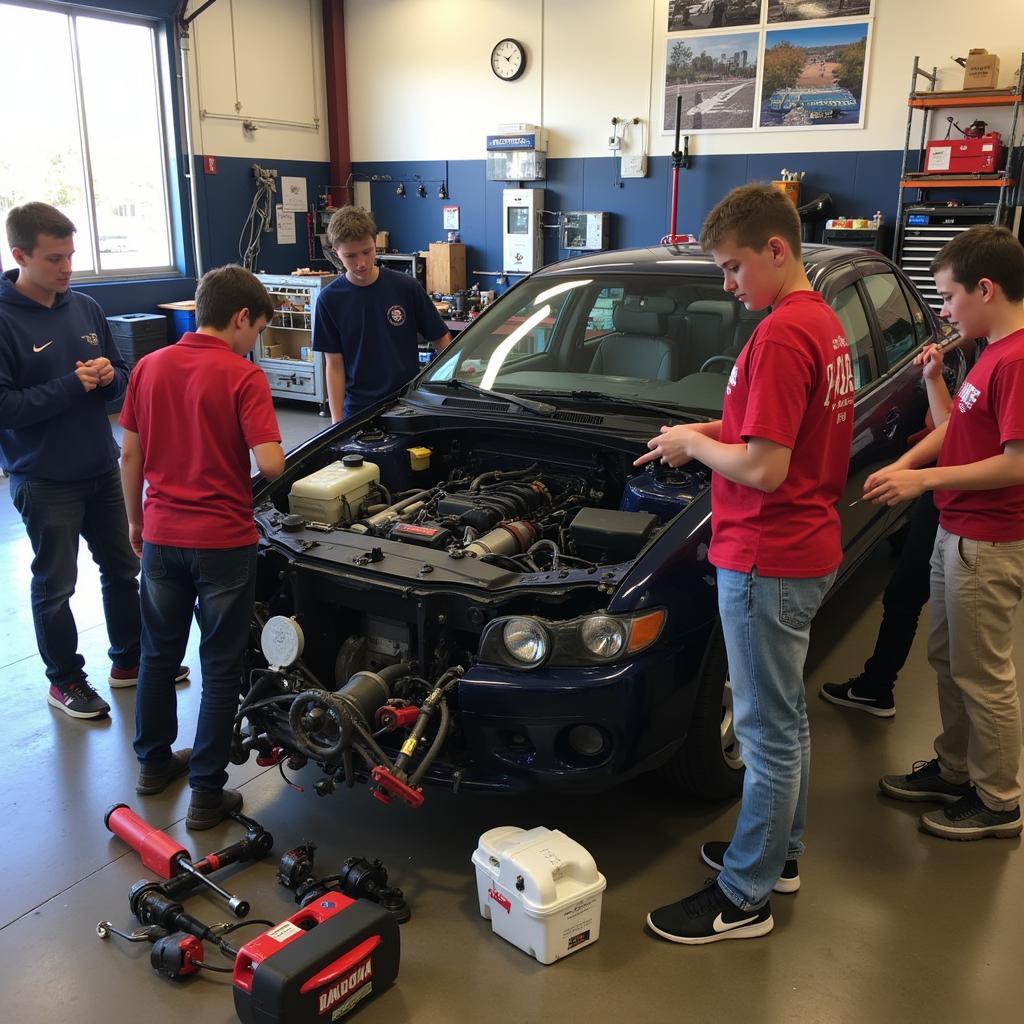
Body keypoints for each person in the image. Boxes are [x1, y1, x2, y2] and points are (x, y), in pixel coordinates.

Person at [636, 183, 853, 944]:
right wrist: (696, 427)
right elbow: (764, 424)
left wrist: (697, 447)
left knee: (764, 730)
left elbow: (763, 466)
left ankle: (745, 896)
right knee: (784, 720)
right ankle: (779, 856)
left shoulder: (782, 335)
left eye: (732, 268)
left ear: (776, 249)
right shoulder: (819, 324)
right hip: (800, 546)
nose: (728, 285)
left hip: (768, 554)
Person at [866, 225, 1024, 841]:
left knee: (984, 676)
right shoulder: (990, 349)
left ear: (985, 289)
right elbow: (959, 429)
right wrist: (934, 380)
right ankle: (956, 769)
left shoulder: (1015, 359)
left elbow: (1016, 462)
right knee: (950, 660)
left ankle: (1000, 800)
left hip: (986, 543)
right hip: (958, 536)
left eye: (950, 298)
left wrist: (922, 484)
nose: (945, 312)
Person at [0, 202, 186, 721]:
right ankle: (64, 680)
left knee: (124, 568)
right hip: (43, 478)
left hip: (100, 467)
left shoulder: (84, 307)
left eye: (72, 255)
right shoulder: (4, 320)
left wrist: (111, 377)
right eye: (55, 258)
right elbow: (4, 408)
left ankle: (129, 661)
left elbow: (124, 383)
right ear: (19, 255)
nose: (67, 268)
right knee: (56, 585)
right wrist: (68, 385)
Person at [120, 265, 285, 830]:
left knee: (158, 657)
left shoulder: (148, 366)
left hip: (162, 535)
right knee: (219, 669)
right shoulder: (243, 377)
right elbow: (270, 464)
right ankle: (208, 796)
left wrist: (136, 522)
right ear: (241, 317)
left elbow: (130, 456)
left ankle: (152, 764)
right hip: (222, 543)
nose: (254, 341)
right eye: (257, 330)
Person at [313, 205, 451, 423]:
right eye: (350, 255)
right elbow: (334, 366)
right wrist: (336, 422)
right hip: (358, 411)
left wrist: (451, 387)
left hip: (407, 406)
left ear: (375, 243)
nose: (361, 263)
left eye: (367, 252)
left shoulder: (406, 287)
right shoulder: (329, 300)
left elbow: (441, 339)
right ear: (335, 252)